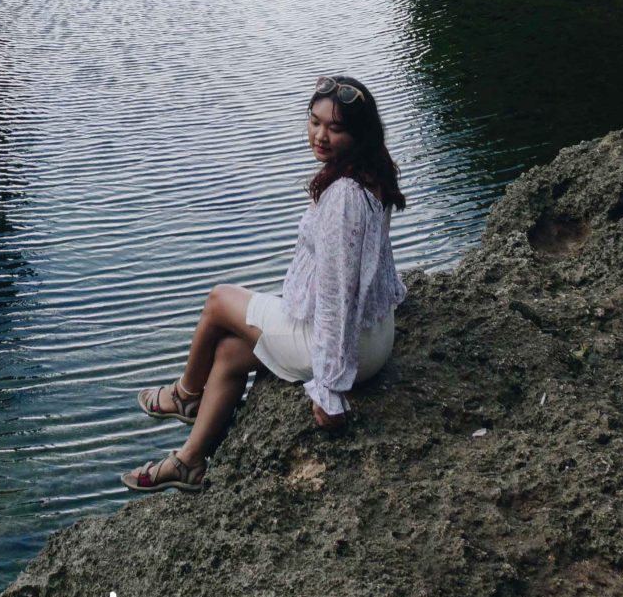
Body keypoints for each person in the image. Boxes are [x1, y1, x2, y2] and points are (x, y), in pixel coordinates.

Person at [121, 76, 408, 493]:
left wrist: (329, 391)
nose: (320, 136)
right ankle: (189, 462)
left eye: (335, 128)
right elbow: (373, 263)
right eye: (314, 123)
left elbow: (337, 299)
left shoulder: (344, 195)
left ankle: (184, 395)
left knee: (219, 300)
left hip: (353, 349)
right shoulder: (368, 173)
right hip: (375, 335)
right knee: (231, 352)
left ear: (358, 133)